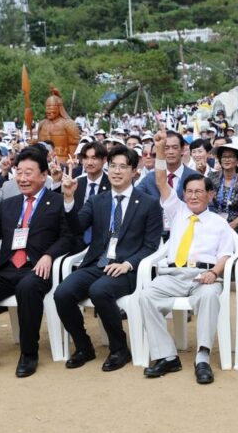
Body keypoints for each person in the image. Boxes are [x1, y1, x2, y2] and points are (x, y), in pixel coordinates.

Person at [0, 147, 77, 378]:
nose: (23, 179)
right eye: (20, 172)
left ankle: (28, 353)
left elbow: (69, 238)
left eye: (29, 173)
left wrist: (49, 255)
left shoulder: (57, 202)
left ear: (43, 175)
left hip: (37, 267)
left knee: (27, 288)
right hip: (7, 266)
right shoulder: (9, 203)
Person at [138, 131, 236, 384]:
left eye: (198, 191)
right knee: (146, 295)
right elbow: (161, 180)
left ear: (210, 195)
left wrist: (214, 273)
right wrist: (160, 150)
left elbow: (227, 254)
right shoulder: (177, 210)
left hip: (203, 276)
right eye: (189, 191)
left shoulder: (219, 223)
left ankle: (202, 357)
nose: (192, 196)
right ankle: (167, 356)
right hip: (173, 274)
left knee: (210, 295)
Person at [55, 145, 163, 372]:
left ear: (134, 171)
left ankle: (119, 349)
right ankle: (84, 347)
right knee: (62, 293)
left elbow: (152, 246)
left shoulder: (148, 203)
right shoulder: (98, 201)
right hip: (97, 262)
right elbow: (76, 227)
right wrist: (68, 198)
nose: (116, 171)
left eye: (123, 166)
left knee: (99, 290)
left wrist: (128, 264)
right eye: (112, 166)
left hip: (127, 268)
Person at [208, 143, 238, 230]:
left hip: (236, 227)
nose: (226, 159)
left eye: (231, 156)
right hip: (213, 223)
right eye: (224, 156)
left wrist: (236, 222)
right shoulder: (211, 177)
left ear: (237, 160)